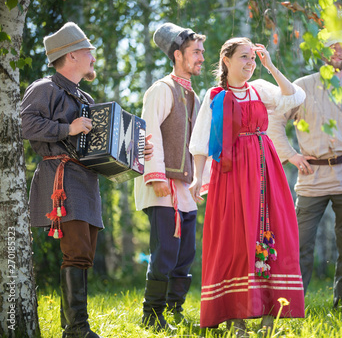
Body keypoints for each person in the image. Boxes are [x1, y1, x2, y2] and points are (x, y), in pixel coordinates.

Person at [21, 22, 153, 338]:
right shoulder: (45, 89)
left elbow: (101, 148)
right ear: (72, 55)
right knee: (76, 252)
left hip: (86, 184)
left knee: (85, 254)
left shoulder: (85, 98)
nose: (93, 56)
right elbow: (25, 124)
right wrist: (67, 128)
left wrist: (136, 149)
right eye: (88, 50)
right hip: (61, 181)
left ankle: (75, 327)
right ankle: (76, 329)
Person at [189, 37, 305, 334]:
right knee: (233, 235)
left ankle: (271, 312)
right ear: (225, 60)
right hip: (230, 172)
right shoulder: (215, 95)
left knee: (273, 228)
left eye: (253, 58)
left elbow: (294, 97)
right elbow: (201, 142)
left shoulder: (260, 90)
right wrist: (197, 178)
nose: (249, 63)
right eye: (244, 57)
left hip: (266, 169)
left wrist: (270, 66)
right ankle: (234, 316)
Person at [267, 32, 342, 307]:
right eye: (332, 48)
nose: (337, 53)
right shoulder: (301, 88)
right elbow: (274, 121)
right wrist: (291, 156)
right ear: (321, 53)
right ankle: (293, 304)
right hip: (310, 179)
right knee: (299, 245)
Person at [134, 22, 205, 331]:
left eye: (202, 52)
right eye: (196, 52)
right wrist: (156, 176)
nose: (202, 57)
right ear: (178, 55)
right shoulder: (161, 90)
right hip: (161, 185)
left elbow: (198, 144)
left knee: (185, 252)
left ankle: (175, 309)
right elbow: (149, 133)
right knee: (165, 251)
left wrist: (201, 182)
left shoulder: (194, 97)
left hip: (184, 189)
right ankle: (152, 314)